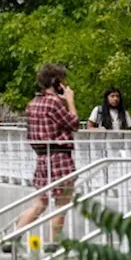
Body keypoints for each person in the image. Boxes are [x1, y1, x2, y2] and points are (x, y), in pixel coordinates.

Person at [13, 63, 81, 242]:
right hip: (60, 157)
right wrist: (70, 100)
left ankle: (15, 234)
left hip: (42, 158)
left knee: (40, 203)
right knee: (61, 203)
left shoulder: (33, 104)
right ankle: (53, 243)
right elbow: (73, 123)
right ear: (56, 82)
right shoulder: (54, 103)